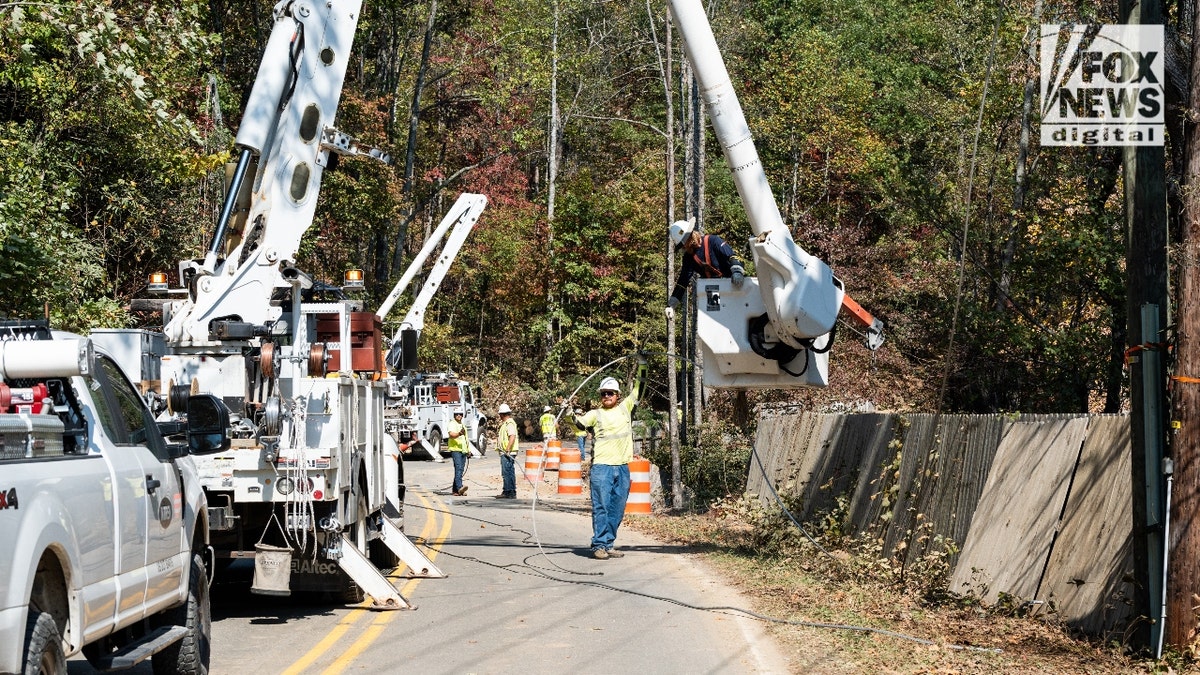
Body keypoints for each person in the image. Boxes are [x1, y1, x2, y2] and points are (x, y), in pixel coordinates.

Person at [574, 360, 647, 560]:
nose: (607, 396)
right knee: (601, 507)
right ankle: (598, 545)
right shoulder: (594, 414)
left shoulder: (626, 409)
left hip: (622, 468)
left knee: (617, 508)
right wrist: (568, 414)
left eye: (610, 393)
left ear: (617, 395)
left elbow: (640, 388)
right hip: (601, 469)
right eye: (604, 393)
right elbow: (578, 425)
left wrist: (642, 364)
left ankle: (608, 543)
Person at [667, 218, 745, 311]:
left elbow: (732, 256)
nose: (684, 247)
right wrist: (671, 304)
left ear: (690, 237)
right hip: (713, 289)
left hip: (733, 283)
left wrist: (737, 271)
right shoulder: (688, 257)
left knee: (738, 313)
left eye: (684, 243)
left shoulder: (714, 241)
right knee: (715, 317)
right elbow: (683, 281)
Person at [496, 404, 518, 498]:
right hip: (506, 451)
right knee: (509, 471)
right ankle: (510, 491)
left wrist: (508, 449)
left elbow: (512, 436)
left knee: (507, 472)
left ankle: (508, 491)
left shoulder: (509, 423)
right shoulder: (506, 423)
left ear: (502, 414)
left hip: (507, 452)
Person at [447, 410, 469, 495]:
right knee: (459, 469)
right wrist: (459, 433)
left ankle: (455, 490)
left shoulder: (462, 425)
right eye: (457, 414)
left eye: (461, 414)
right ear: (454, 415)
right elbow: (451, 435)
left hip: (463, 450)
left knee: (459, 470)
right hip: (456, 450)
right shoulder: (452, 424)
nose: (459, 415)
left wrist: (468, 450)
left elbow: (465, 439)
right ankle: (460, 488)